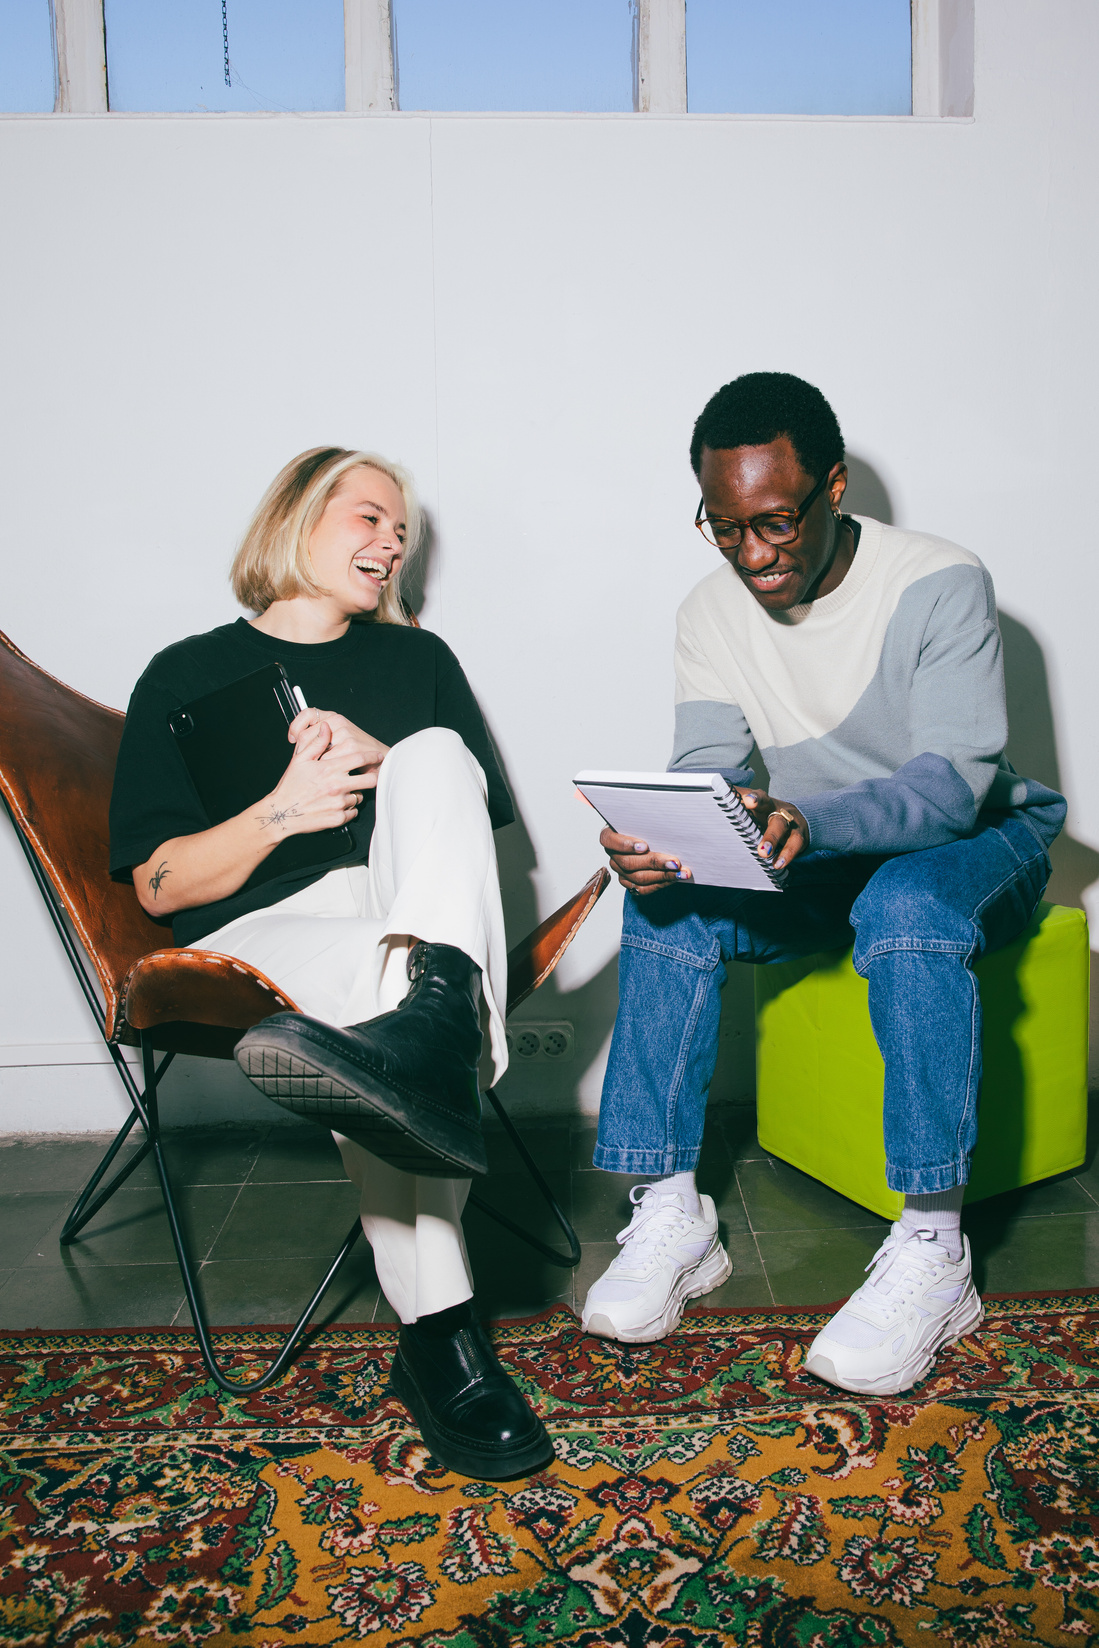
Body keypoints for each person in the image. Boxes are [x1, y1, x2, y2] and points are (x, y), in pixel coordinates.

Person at [581, 373, 1065, 1396]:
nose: (753, 555)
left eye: (773, 522)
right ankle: (673, 1212)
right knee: (665, 902)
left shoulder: (940, 579)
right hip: (815, 849)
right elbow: (714, 767)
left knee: (905, 905)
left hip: (978, 839)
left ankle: (936, 1252)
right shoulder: (707, 611)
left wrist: (809, 819)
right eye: (723, 529)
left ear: (834, 487)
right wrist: (676, 839)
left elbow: (948, 787)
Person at [108, 445, 553, 1479]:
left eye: (402, 529)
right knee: (402, 1008)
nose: (392, 541)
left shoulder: (418, 664)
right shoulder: (185, 672)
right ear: (296, 519)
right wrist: (282, 810)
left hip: (405, 917)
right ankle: (444, 1335)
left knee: (436, 759)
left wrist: (384, 761)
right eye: (368, 517)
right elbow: (161, 886)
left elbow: (472, 824)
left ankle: (439, 1338)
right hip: (258, 941)